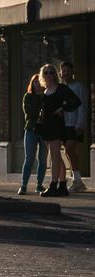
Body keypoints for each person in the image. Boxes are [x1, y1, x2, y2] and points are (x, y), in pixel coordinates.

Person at [38, 63, 79, 197]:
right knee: (56, 156)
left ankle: (53, 185)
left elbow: (76, 101)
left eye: (51, 72)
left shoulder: (61, 88)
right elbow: (44, 110)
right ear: (42, 75)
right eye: (46, 73)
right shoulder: (45, 91)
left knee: (54, 156)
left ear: (55, 75)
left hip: (57, 126)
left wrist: (63, 108)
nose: (48, 75)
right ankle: (62, 185)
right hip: (46, 126)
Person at [19, 73, 49, 196]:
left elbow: (47, 113)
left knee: (42, 159)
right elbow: (29, 112)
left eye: (39, 81)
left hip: (44, 131)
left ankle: (39, 185)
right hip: (31, 130)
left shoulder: (46, 97)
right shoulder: (28, 96)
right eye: (35, 81)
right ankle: (23, 186)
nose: (37, 84)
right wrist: (41, 112)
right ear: (32, 83)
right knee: (29, 158)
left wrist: (42, 113)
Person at [61, 61, 86, 192]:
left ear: (72, 72)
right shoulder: (61, 87)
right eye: (63, 71)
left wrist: (80, 124)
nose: (65, 73)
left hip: (75, 124)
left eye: (67, 70)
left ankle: (78, 181)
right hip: (64, 125)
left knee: (70, 149)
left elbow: (82, 106)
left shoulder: (78, 86)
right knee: (68, 151)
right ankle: (76, 180)